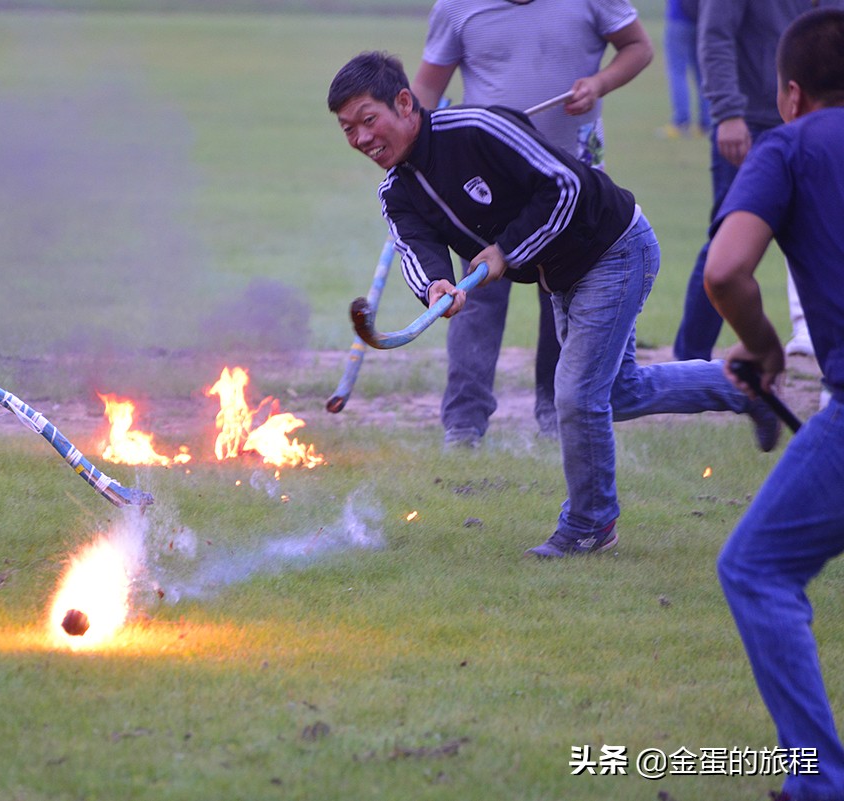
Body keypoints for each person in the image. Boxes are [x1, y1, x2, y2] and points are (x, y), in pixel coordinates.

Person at [327, 51, 778, 558]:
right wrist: (436, 287)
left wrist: (506, 250)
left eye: (369, 120)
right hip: (563, 274)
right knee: (619, 393)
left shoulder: (477, 127)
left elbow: (566, 185)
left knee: (578, 395)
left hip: (613, 246)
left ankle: (590, 524)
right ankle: (748, 388)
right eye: (348, 129)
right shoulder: (397, 192)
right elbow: (415, 246)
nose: (361, 138)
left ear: (405, 103)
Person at [408, 0, 653, 447]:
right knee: (475, 296)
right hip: (482, 184)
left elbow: (639, 46)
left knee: (562, 292)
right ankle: (464, 422)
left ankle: (555, 411)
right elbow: (425, 87)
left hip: (570, 181)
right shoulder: (457, 7)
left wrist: (600, 83)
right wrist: (412, 160)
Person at [706, 9, 844, 799]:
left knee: (757, 569)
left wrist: (761, 346)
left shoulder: (787, 145)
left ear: (789, 94)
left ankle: (818, 784)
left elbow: (725, 270)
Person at [672, 0, 839, 363]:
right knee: (728, 240)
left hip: (825, 119)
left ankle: (823, 350)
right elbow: (715, 36)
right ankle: (691, 358)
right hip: (755, 121)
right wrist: (728, 112)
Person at [658, 0, 710, 139]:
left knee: (677, 72)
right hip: (703, 19)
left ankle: (681, 121)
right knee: (703, 74)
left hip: (679, 19)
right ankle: (706, 123)